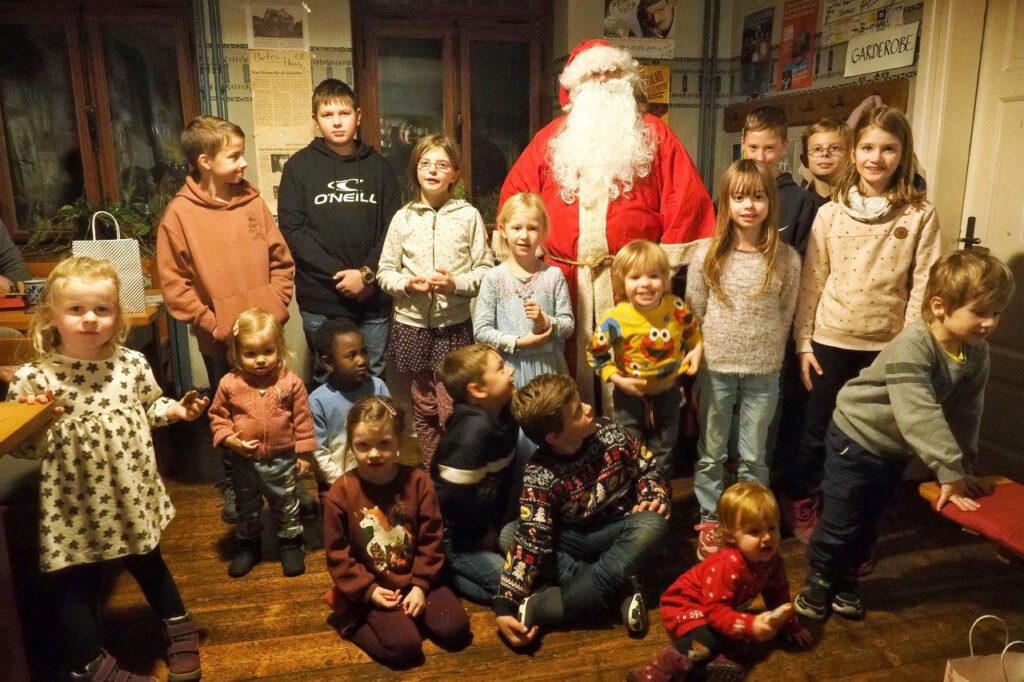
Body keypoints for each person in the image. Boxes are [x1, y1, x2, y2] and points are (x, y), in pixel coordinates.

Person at [7, 257, 208, 682]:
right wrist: (35, 418)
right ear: (52, 315)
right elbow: (23, 447)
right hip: (74, 504)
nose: (90, 319)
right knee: (77, 579)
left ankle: (178, 623)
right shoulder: (34, 380)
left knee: (148, 560)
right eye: (76, 309)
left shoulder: (131, 364)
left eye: (102, 309)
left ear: (117, 315)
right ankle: (89, 664)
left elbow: (151, 406)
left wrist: (178, 410)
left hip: (130, 493)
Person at [794, 250, 1015, 620]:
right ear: (941, 306)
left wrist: (964, 468)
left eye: (996, 313)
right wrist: (947, 469)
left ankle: (846, 576)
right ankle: (819, 578)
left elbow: (966, 410)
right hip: (856, 438)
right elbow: (919, 412)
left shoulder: (976, 353)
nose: (989, 322)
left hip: (893, 450)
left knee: (870, 518)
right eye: (980, 312)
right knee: (841, 516)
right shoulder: (913, 345)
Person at [500, 40, 714, 404]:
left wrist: (662, 267)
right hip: (563, 283)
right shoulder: (550, 140)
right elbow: (517, 199)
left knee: (636, 369)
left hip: (630, 280)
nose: (603, 80)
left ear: (626, 80)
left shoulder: (656, 135)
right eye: (592, 74)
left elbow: (686, 200)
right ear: (575, 88)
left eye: (610, 73)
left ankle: (630, 447)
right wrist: (527, 256)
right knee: (565, 375)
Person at [781, 107, 943, 543]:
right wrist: (804, 342)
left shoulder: (919, 214)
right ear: (855, 153)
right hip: (829, 341)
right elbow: (812, 280)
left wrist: (908, 347)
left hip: (887, 348)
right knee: (817, 431)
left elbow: (923, 283)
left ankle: (855, 520)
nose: (877, 158)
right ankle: (801, 498)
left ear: (903, 153)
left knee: (875, 440)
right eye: (868, 148)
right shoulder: (831, 213)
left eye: (888, 149)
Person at [157, 114, 295, 525]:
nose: (242, 164)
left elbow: (281, 261)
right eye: (234, 156)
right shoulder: (179, 215)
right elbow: (174, 285)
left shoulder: (253, 202)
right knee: (230, 418)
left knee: (279, 411)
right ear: (204, 160)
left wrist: (277, 305)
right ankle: (238, 489)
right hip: (220, 344)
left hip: (266, 336)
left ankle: (283, 488)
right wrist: (212, 323)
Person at [494, 374, 670, 648]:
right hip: (572, 538)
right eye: (577, 411)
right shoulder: (539, 471)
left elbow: (647, 467)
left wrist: (653, 495)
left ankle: (558, 604)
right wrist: (505, 605)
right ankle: (619, 586)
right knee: (511, 534)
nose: (589, 408)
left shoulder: (610, 431)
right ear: (554, 436)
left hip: (615, 530)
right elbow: (532, 539)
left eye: (581, 401)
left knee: (653, 524)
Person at [686, 160, 801, 560]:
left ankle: (751, 521)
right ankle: (710, 518)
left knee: (754, 455)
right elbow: (695, 310)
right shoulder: (707, 254)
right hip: (717, 366)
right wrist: (699, 356)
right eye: (739, 197)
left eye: (757, 196)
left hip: (764, 370)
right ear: (727, 202)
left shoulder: (785, 258)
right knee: (712, 450)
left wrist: (776, 355)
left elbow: (786, 313)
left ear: (770, 200)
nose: (748, 206)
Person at [323, 396, 471, 668]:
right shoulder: (339, 494)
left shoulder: (418, 482)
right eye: (363, 445)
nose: (374, 453)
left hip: (415, 578)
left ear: (399, 442)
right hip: (372, 585)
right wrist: (368, 591)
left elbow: (432, 537)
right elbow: (337, 554)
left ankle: (408, 617)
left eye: (384, 444)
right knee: (405, 649)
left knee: (456, 631)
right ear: (352, 445)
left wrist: (420, 585)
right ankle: (349, 615)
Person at [376, 134, 493, 469]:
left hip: (453, 326)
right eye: (425, 163)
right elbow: (385, 270)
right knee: (423, 406)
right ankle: (432, 476)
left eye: (442, 165)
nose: (432, 171)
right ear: (415, 170)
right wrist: (406, 284)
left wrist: (455, 283)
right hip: (410, 326)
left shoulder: (468, 216)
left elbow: (485, 270)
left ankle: (458, 472)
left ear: (454, 174)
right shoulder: (404, 217)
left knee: (451, 407)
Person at [277, 79, 401, 381]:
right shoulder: (298, 167)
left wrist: (366, 274)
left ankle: (370, 431)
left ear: (358, 116)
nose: (336, 122)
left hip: (372, 298)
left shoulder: (380, 167)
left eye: (343, 113)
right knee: (327, 378)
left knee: (372, 376)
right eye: (327, 115)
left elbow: (394, 228)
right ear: (315, 120)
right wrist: (343, 276)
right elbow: (293, 230)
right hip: (322, 298)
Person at [629, 482, 811, 681]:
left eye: (772, 527)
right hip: (685, 606)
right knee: (708, 640)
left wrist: (791, 625)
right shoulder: (727, 565)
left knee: (743, 642)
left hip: (718, 608)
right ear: (732, 535)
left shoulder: (772, 560)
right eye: (754, 531)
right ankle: (656, 671)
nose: (767, 537)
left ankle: (714, 664)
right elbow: (715, 614)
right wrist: (751, 625)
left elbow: (778, 593)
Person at [208, 309, 317, 578]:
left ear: (279, 348)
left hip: (282, 459)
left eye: (267, 351)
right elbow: (218, 417)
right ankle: (249, 545)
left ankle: (290, 543)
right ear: (236, 353)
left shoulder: (290, 382)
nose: (260, 361)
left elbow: (303, 419)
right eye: (250, 354)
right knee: (247, 506)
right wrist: (228, 438)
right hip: (244, 462)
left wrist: (305, 455)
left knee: (286, 503)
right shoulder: (229, 384)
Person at [587, 239, 703, 481]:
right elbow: (595, 354)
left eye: (653, 275)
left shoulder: (676, 307)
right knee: (629, 448)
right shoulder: (614, 318)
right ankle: (631, 495)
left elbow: (693, 332)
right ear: (622, 282)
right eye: (635, 277)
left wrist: (696, 350)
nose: (645, 284)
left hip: (669, 393)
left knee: (664, 448)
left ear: (665, 278)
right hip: (629, 397)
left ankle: (658, 493)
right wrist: (617, 379)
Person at [432, 344, 519, 603]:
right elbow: (449, 501)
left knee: (529, 570)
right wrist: (482, 535)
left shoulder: (504, 412)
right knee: (514, 585)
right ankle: (442, 571)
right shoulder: (472, 435)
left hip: (485, 523)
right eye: (501, 369)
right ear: (478, 390)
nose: (511, 371)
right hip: (455, 536)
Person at [474, 192, 574, 389]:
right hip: (510, 370)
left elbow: (568, 325)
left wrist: (546, 321)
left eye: (532, 228)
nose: (524, 236)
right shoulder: (494, 278)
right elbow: (481, 331)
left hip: (549, 369)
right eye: (517, 228)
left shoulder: (553, 276)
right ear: (503, 230)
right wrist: (518, 342)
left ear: (543, 231)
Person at [308, 317, 391, 492]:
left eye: (364, 352)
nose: (362, 360)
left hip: (378, 476)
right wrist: (343, 484)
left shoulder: (378, 387)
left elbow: (392, 434)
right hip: (335, 483)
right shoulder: (318, 401)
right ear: (328, 363)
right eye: (351, 355)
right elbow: (319, 452)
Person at [740, 106, 817, 256]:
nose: (760, 157)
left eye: (769, 148)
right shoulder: (731, 194)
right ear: (743, 143)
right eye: (753, 147)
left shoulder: (801, 201)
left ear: (784, 145)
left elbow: (806, 262)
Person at [799, 118, 852, 208]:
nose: (825, 153)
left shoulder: (862, 203)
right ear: (805, 160)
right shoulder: (796, 204)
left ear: (851, 156)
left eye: (835, 148)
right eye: (817, 149)